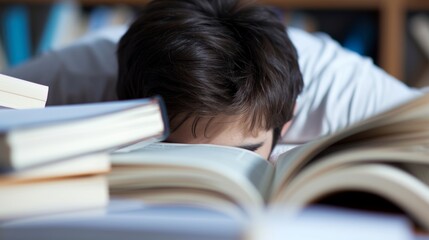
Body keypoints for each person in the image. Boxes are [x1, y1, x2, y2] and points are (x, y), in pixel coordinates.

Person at [4, 0, 425, 161]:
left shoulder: (343, 90)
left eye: (244, 152)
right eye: (175, 151)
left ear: (289, 118)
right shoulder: (75, 76)